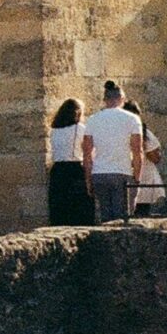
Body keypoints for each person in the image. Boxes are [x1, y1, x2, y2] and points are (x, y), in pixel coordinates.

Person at [83, 79, 145, 220]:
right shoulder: (132, 119)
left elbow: (87, 154)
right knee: (122, 218)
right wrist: (137, 178)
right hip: (122, 172)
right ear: (122, 99)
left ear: (105, 99)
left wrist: (88, 179)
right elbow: (137, 151)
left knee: (104, 218)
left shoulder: (92, 120)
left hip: (99, 173)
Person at [47, 98, 95, 226]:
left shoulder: (54, 130)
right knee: (80, 209)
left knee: (60, 209)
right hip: (74, 169)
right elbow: (88, 154)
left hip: (57, 170)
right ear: (78, 113)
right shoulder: (80, 129)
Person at [131, 106, 166, 215]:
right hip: (139, 179)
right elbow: (156, 157)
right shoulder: (144, 134)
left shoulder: (145, 134)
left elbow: (155, 157)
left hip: (141, 179)